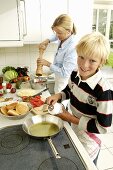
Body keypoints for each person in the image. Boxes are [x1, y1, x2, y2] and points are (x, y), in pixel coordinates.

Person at [46, 32, 113, 165]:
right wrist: (58, 95)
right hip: (75, 128)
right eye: (81, 57)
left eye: (92, 60)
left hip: (90, 140)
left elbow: (103, 127)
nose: (84, 65)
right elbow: (69, 90)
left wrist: (69, 117)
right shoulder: (75, 73)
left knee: (86, 164)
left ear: (102, 61)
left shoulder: (104, 90)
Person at [37, 14, 77, 93]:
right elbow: (55, 36)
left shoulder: (72, 48)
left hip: (64, 85)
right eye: (56, 32)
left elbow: (65, 73)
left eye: (59, 33)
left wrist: (47, 64)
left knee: (61, 103)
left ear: (69, 31)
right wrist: (47, 40)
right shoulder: (64, 36)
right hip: (58, 79)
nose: (57, 35)